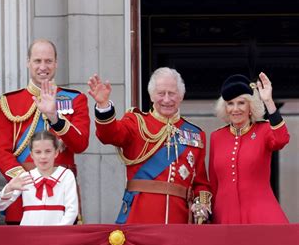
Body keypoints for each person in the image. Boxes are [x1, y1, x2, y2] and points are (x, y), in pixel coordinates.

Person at [88, 68, 211, 224]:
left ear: (181, 96)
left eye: (172, 93)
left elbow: (201, 183)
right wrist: (103, 106)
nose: (167, 99)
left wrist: (202, 205)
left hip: (179, 219)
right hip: (140, 217)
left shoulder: (195, 134)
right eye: (161, 93)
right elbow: (109, 135)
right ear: (152, 95)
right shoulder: (136, 122)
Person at [0, 39, 90, 224]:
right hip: (22, 195)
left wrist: (55, 117)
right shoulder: (8, 102)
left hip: (62, 192)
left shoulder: (75, 99)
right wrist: (28, 181)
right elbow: (1, 151)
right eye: (37, 61)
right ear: (28, 62)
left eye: (48, 61)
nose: (43, 66)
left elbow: (80, 144)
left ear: (56, 63)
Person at [209, 72, 290, 224]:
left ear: (250, 106)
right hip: (225, 216)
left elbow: (282, 139)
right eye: (230, 103)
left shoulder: (263, 130)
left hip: (260, 213)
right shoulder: (216, 137)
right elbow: (214, 183)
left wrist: (268, 101)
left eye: (241, 103)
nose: (235, 109)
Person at [0, 131, 78, 225]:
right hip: (29, 235)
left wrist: (58, 232)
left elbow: (72, 210)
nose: (43, 156)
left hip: (57, 235)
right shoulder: (25, 177)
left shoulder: (66, 175)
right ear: (32, 154)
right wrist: (9, 188)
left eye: (48, 151)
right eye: (38, 152)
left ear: (56, 153)